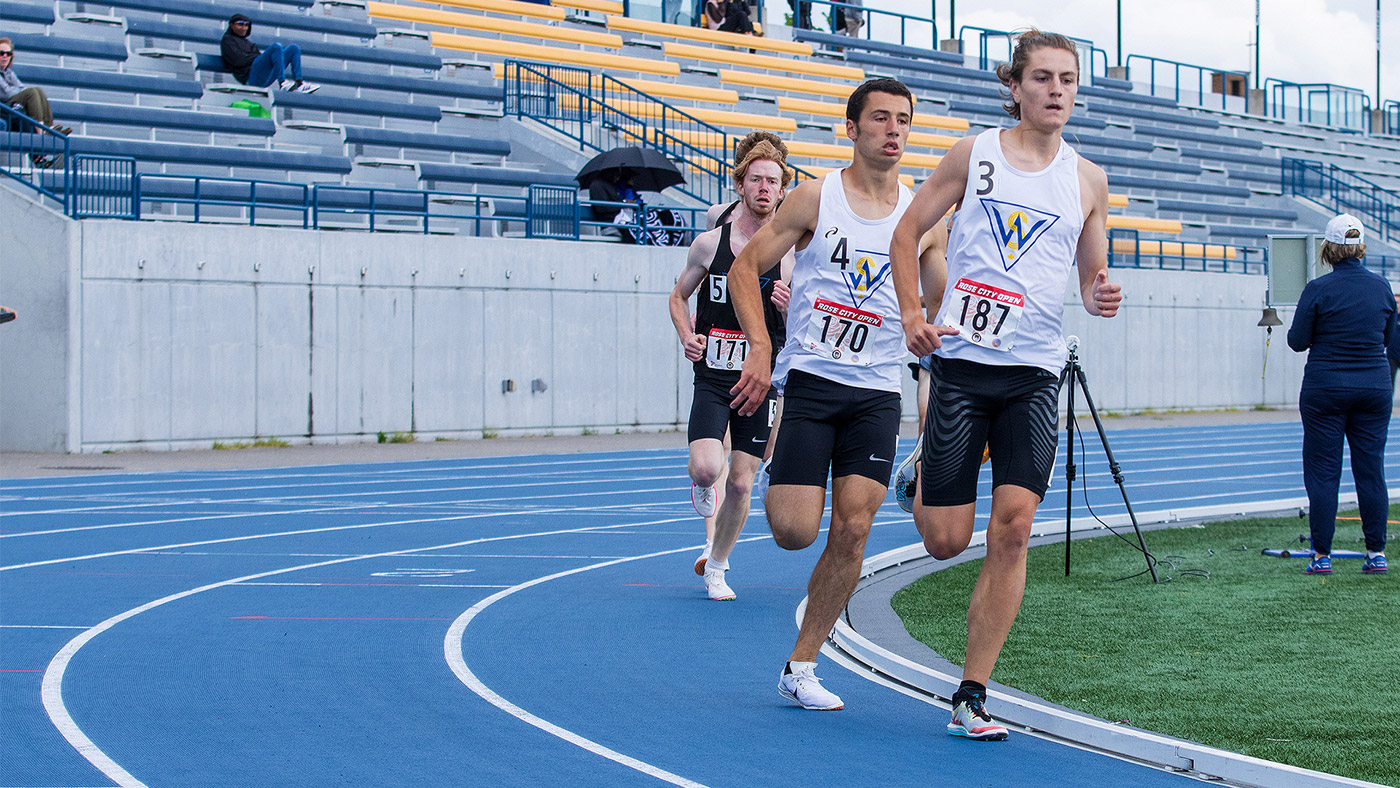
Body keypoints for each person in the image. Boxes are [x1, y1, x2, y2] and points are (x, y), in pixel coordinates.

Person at [890, 28, 1123, 740]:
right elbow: (906, 233)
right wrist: (912, 315)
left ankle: (971, 693)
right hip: (962, 367)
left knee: (1013, 530)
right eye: (1044, 78)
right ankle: (921, 477)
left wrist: (1099, 292)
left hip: (1032, 374)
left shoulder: (1088, 179)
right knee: (944, 541)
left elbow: (1090, 275)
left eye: (1068, 80)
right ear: (1015, 86)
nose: (1057, 90)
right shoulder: (975, 154)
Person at [729, 77, 944, 710]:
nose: (894, 130)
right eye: (880, 118)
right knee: (795, 531)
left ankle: (802, 664)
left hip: (876, 394)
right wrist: (762, 349)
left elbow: (943, 296)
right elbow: (746, 268)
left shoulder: (921, 215)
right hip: (814, 384)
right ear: (851, 130)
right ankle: (785, 470)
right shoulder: (814, 200)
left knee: (853, 530)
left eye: (903, 119)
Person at [670, 139, 795, 600]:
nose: (765, 189)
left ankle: (717, 566)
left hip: (759, 381)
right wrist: (687, 335)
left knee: (742, 481)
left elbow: (805, 323)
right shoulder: (710, 242)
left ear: (784, 192)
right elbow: (677, 296)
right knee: (707, 469)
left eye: (773, 182)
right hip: (715, 374)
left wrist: (788, 309)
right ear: (740, 185)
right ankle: (703, 485)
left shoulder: (791, 253)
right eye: (757, 180)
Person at [1287, 214, 1391, 576]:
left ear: (1328, 249)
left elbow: (1297, 342)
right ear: (1361, 247)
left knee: (1323, 474)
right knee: (1371, 471)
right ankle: (1376, 553)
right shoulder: (1382, 287)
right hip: (1374, 387)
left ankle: (1321, 555)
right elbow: (1392, 342)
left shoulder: (1318, 289)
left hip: (1325, 388)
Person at [707, 132, 790, 231]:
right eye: (756, 179)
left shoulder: (791, 223)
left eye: (771, 181)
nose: (763, 187)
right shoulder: (718, 214)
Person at [220, 15, 318, 93]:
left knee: (294, 48)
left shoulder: (248, 43)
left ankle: (299, 83)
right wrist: (257, 57)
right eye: (240, 24)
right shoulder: (227, 40)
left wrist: (257, 57)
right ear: (232, 25)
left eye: (246, 25)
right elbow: (238, 60)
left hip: (263, 76)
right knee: (276, 47)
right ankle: (282, 83)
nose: (244, 28)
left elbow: (256, 58)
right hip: (250, 77)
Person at [1, 39, 71, 135]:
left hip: (12, 103)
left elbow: (21, 88)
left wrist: (21, 92)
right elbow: (6, 93)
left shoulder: (9, 73)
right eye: (1, 53)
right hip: (4, 107)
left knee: (39, 91)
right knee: (31, 93)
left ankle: (49, 127)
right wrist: (21, 92)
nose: (5, 56)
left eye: (8, 54)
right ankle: (40, 130)